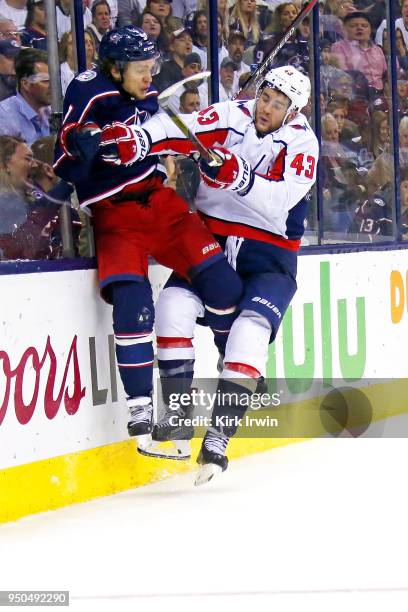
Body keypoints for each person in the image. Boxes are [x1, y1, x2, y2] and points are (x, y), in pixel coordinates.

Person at [111, 66, 318, 481]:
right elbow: (178, 128)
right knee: (171, 306)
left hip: (270, 256)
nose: (267, 108)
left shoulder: (302, 142)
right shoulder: (231, 115)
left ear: (293, 111)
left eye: (278, 104)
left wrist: (239, 177)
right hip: (212, 244)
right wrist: (139, 139)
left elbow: (279, 201)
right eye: (265, 97)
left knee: (250, 332)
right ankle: (177, 412)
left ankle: (219, 437)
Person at [53, 26, 242, 457]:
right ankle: (140, 407)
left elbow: (161, 135)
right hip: (116, 213)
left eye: (152, 67)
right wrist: (79, 150)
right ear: (116, 69)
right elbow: (64, 160)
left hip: (160, 202)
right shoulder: (88, 92)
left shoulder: (145, 94)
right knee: (134, 304)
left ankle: (230, 380)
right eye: (141, 69)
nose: (149, 76)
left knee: (224, 286)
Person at [0, 48, 50, 144]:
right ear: (25, 84)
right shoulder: (4, 118)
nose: (53, 86)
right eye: (45, 81)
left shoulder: (56, 113)